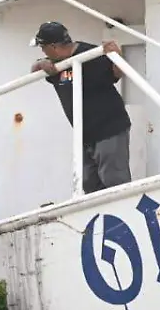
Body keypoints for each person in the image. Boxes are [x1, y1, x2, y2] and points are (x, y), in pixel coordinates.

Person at [30, 21, 132, 194]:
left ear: (53, 47)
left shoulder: (90, 55)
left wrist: (117, 55)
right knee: (89, 185)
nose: (42, 52)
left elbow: (116, 74)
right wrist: (40, 63)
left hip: (109, 129)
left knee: (114, 182)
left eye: (43, 48)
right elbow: (34, 70)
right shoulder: (55, 64)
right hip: (84, 136)